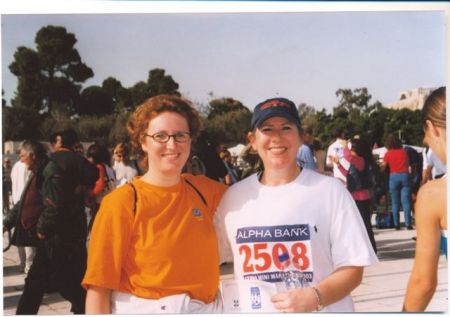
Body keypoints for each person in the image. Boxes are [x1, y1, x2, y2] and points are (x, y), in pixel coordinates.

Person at [215, 97, 378, 313]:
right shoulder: (234, 198)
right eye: (267, 129)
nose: (277, 137)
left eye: (286, 128)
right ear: (252, 140)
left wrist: (315, 297)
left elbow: (353, 269)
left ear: (301, 136)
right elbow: (210, 260)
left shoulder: (330, 191)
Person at [82, 95, 227, 314]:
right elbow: (99, 287)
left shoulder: (205, 191)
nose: (172, 144)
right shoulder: (122, 203)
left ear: (190, 140)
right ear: (143, 142)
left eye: (180, 135)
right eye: (160, 136)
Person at [14, 129, 98, 314]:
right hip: (73, 228)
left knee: (46, 281)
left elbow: (52, 204)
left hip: (54, 231)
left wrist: (42, 227)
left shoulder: (50, 163)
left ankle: (86, 307)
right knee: (69, 277)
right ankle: (84, 307)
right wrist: (82, 187)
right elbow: (94, 174)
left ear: (55, 144)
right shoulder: (78, 160)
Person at [403, 86, 447, 312]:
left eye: (426, 133)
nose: (425, 139)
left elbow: (424, 283)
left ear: (433, 128)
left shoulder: (434, 196)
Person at [3, 141, 48, 275]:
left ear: (32, 156)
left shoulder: (46, 173)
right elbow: (23, 201)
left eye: (22, 156)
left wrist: (42, 227)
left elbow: (52, 205)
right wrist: (7, 223)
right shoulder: (35, 173)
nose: (21, 160)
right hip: (30, 226)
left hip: (40, 231)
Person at [330, 137, 377, 253]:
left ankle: (372, 249)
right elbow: (348, 175)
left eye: (352, 148)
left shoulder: (360, 160)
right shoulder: (357, 162)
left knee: (365, 224)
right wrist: (338, 164)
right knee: (358, 225)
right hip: (355, 196)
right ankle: (364, 249)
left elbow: (348, 157)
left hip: (362, 197)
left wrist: (345, 146)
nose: (350, 150)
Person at [380, 134, 413, 230]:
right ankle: (408, 224)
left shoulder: (388, 153)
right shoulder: (404, 152)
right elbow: (408, 164)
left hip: (394, 177)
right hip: (405, 175)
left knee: (395, 202)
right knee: (406, 202)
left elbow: (383, 168)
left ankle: (396, 224)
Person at [85, 143, 117, 234]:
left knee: (93, 230)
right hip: (110, 201)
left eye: (90, 157)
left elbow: (100, 185)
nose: (88, 159)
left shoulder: (99, 167)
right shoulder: (109, 168)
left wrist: (90, 195)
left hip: (100, 203)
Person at [9, 148, 32, 273]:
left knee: (19, 237)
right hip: (25, 203)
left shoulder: (15, 166)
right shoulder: (26, 166)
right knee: (28, 238)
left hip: (16, 202)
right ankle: (28, 266)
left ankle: (22, 264)